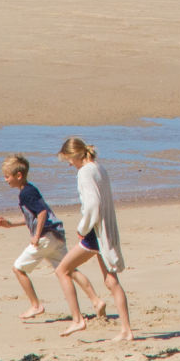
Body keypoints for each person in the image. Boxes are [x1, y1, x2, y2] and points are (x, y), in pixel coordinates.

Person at [0, 154, 102, 321]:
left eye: (7, 176)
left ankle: (35, 305)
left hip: (46, 237)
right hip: (56, 235)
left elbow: (42, 213)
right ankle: (96, 300)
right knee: (70, 269)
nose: (5, 179)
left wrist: (36, 236)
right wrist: (11, 224)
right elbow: (33, 216)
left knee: (18, 269)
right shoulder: (30, 189)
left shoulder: (26, 194)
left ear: (18, 175)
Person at [55, 136, 133, 341]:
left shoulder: (84, 172)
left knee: (62, 270)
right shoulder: (99, 168)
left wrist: (82, 228)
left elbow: (93, 205)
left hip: (94, 232)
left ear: (74, 155)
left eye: (68, 160)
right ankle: (126, 330)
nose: (69, 164)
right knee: (111, 281)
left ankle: (77, 320)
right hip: (105, 230)